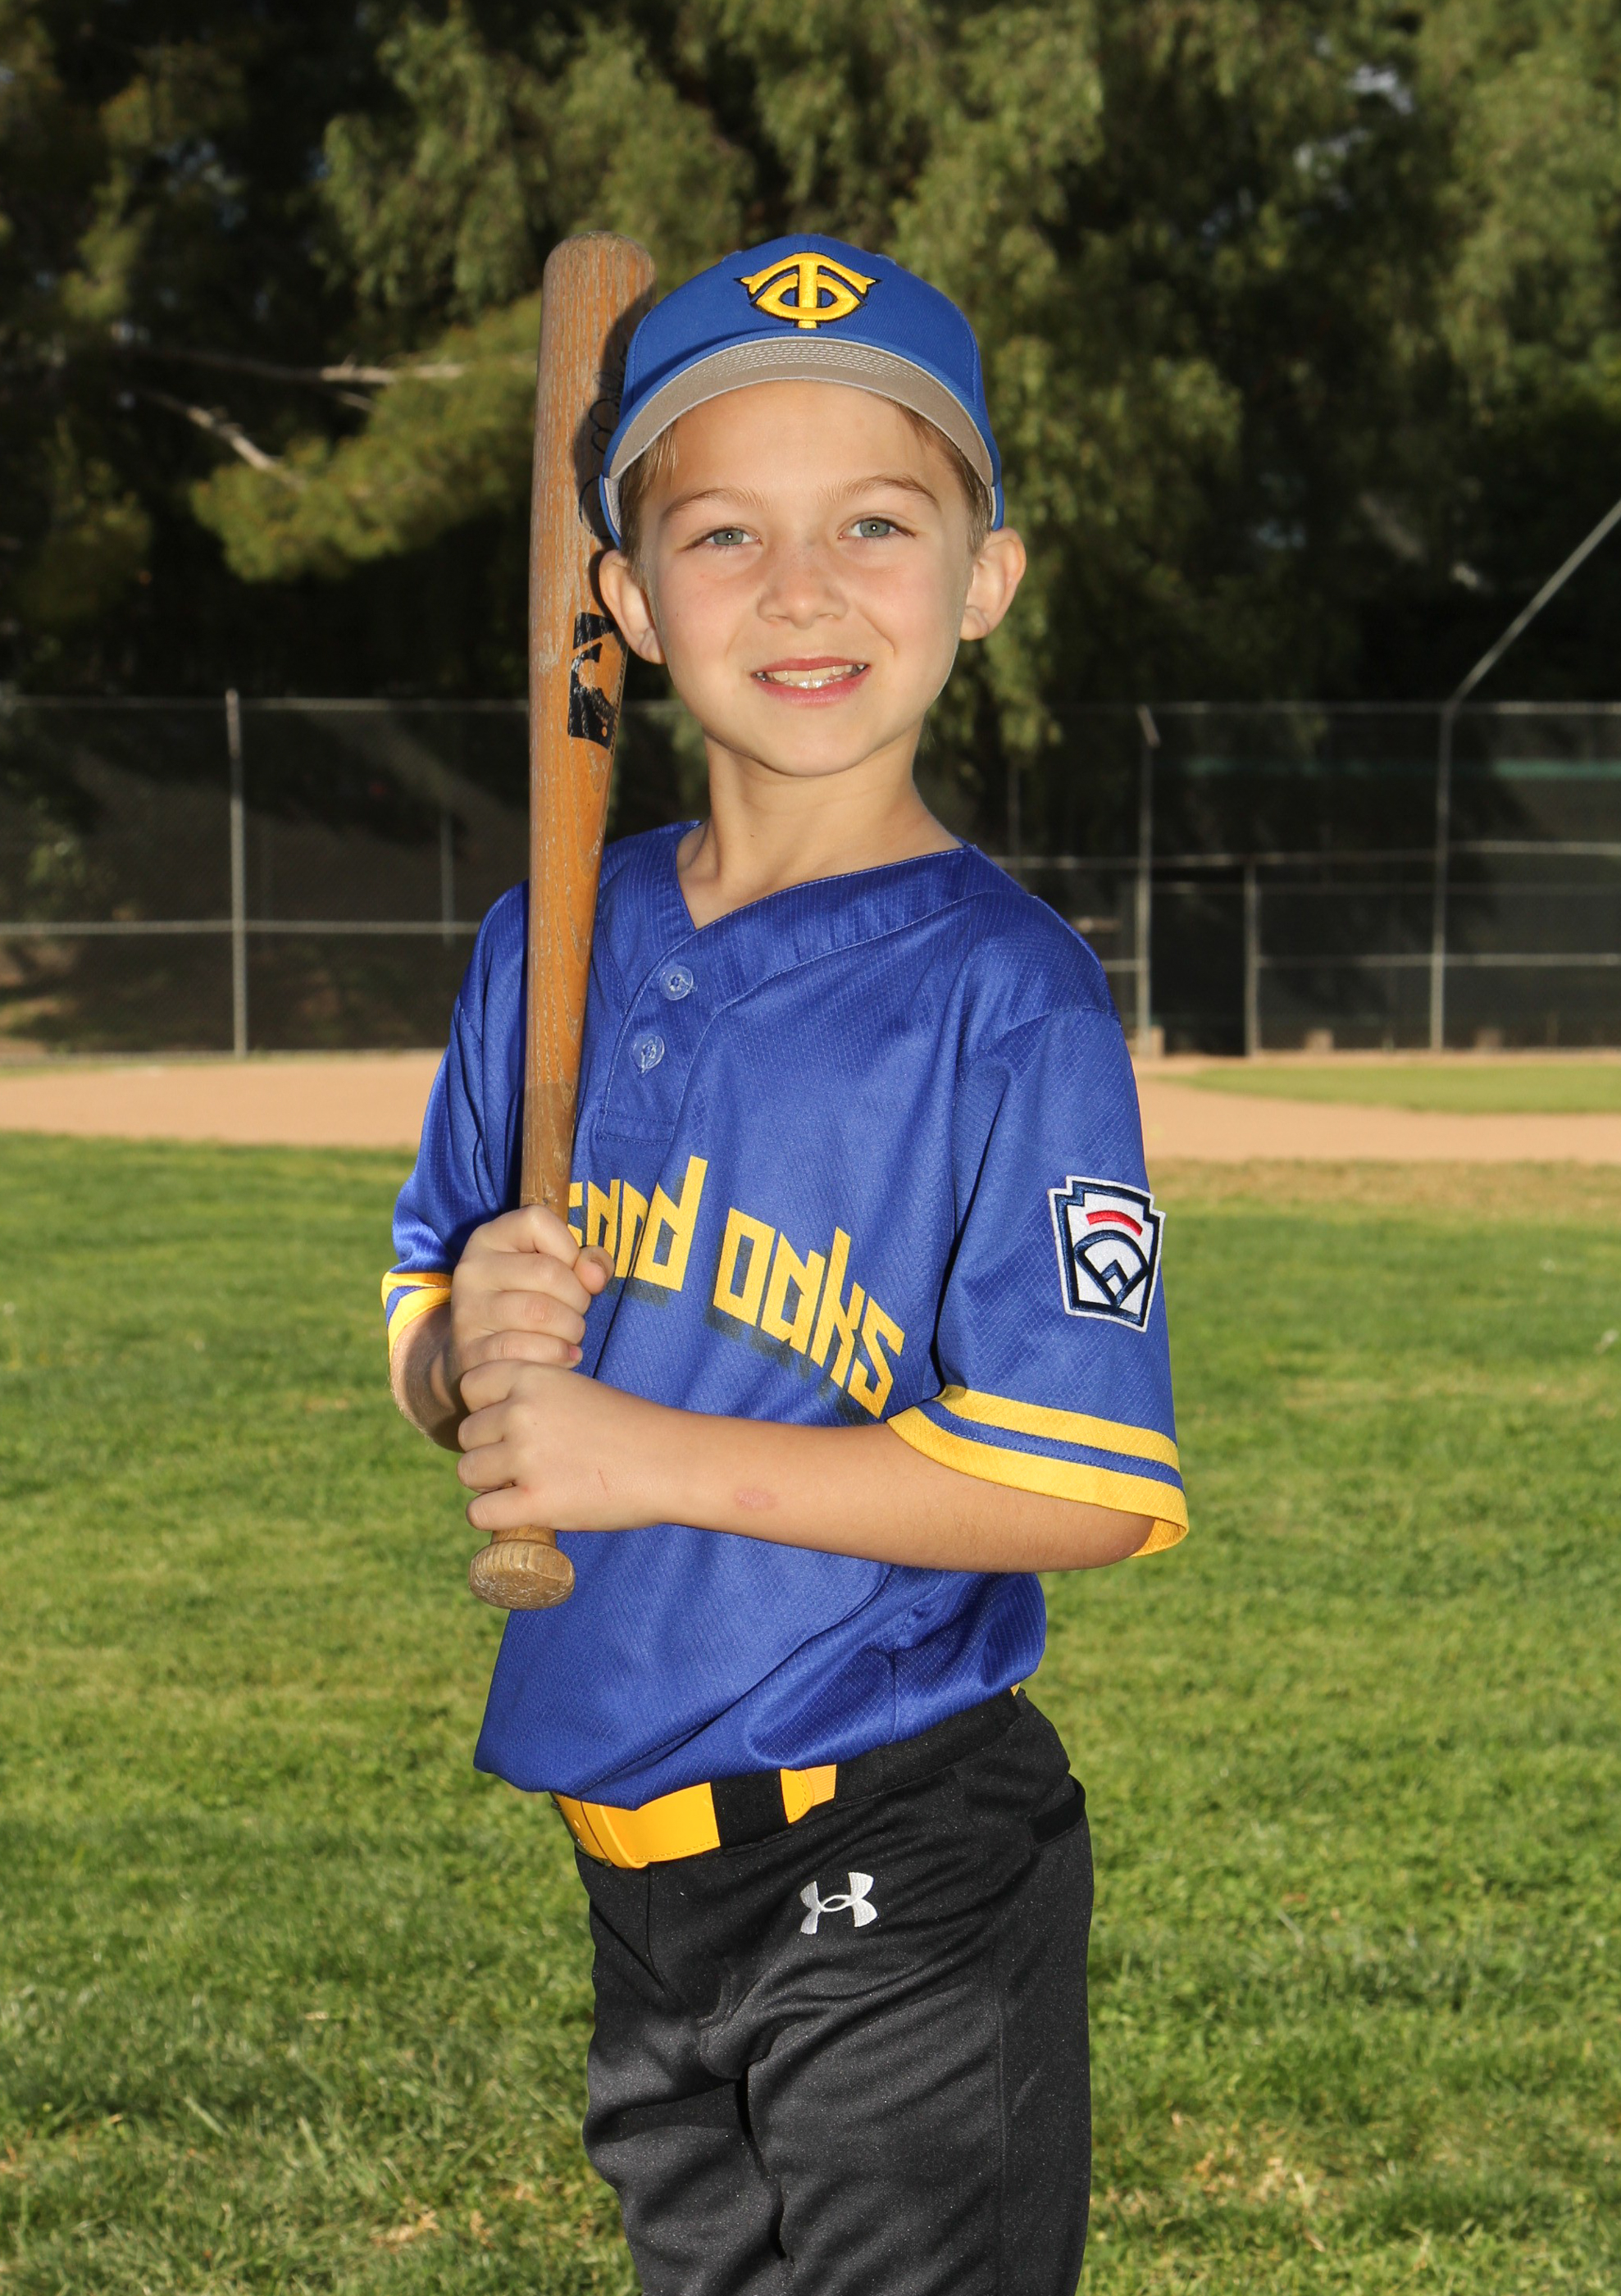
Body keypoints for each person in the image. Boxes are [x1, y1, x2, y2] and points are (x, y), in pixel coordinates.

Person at [382, 234, 1187, 2296]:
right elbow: (432, 1320)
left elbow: (1081, 1480)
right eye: (725, 531)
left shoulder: (1004, 996)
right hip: (637, 1864)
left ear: (985, 578)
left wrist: (633, 1455)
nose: (803, 587)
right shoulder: (548, 941)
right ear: (630, 604)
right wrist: (465, 1351)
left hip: (899, 1844)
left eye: (876, 525)